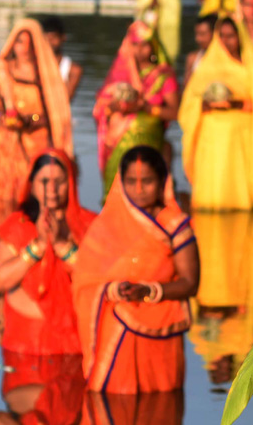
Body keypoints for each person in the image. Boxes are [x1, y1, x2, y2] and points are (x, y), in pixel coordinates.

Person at [71, 146, 201, 395]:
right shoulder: (107, 225)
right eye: (131, 181)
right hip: (114, 328)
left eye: (147, 181)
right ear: (121, 182)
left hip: (161, 333)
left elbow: (190, 283)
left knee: (161, 406)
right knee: (112, 402)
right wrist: (111, 289)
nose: (139, 189)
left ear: (162, 180)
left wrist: (148, 291)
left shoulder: (175, 225)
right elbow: (85, 277)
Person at [0, 151, 96, 357]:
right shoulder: (18, 225)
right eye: (44, 181)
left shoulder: (89, 225)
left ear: (72, 183)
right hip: (24, 344)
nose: (52, 189)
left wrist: (62, 246)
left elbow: (100, 279)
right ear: (32, 184)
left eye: (60, 181)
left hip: (77, 343)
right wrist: (37, 246)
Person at [179, 18, 253, 211]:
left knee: (237, 193)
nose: (226, 41)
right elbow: (189, 101)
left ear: (240, 37)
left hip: (240, 138)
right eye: (222, 36)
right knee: (211, 196)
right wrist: (204, 104)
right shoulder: (209, 65)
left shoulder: (252, 67)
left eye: (231, 36)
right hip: (211, 138)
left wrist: (236, 102)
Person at [0, 19, 74, 205]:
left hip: (37, 148)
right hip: (5, 150)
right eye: (20, 41)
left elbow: (57, 114)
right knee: (3, 204)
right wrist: (2, 119)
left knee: (37, 201)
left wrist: (31, 120)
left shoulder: (47, 75)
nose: (24, 49)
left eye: (30, 43)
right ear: (12, 43)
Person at [188, 209, 253, 386]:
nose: (219, 366)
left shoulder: (201, 343)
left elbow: (194, 315)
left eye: (215, 371)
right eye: (222, 372)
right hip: (223, 289)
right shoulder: (244, 343)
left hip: (227, 285)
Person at [93, 21, 179, 195]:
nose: (140, 50)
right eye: (135, 44)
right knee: (117, 196)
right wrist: (113, 108)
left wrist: (145, 108)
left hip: (149, 143)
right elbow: (100, 109)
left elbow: (175, 113)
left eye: (145, 44)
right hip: (118, 143)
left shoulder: (163, 75)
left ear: (153, 46)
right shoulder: (119, 74)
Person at [135, 0, 181, 66]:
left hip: (166, 29)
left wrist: (159, 3)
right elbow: (139, 7)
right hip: (150, 29)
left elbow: (173, 8)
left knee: (167, 55)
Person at [41, 16, 83, 101]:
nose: (49, 43)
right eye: (46, 39)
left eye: (53, 38)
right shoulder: (34, 64)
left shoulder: (73, 70)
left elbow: (65, 101)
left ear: (63, 38)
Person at [184, 15, 216, 86]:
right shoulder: (193, 58)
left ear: (214, 34)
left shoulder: (226, 59)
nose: (198, 39)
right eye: (196, 34)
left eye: (202, 34)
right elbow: (186, 88)